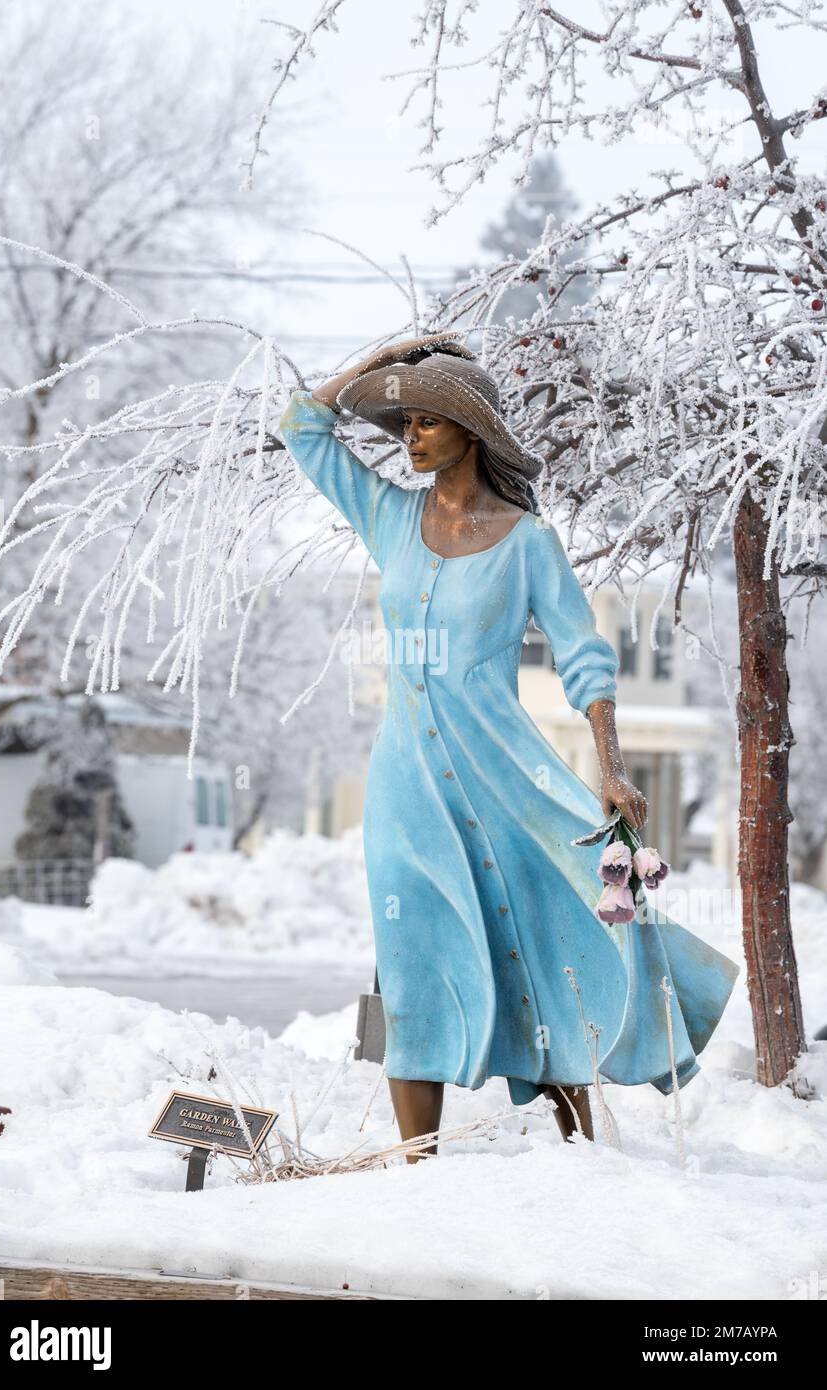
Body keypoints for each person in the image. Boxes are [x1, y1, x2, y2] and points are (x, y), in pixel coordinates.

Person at [277, 333, 739, 1156]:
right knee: (410, 952)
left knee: (546, 939)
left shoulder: (528, 541)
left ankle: (577, 1156)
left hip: (507, 774)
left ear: (470, 432)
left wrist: (613, 769)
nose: (409, 436)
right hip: (405, 785)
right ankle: (413, 1169)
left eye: (426, 421)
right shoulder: (389, 517)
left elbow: (583, 652)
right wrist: (387, 356)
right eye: (405, 421)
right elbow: (303, 427)